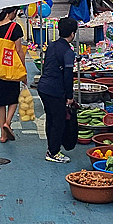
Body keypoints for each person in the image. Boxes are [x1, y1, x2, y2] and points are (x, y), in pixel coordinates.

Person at [37, 16, 78, 163]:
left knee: (51, 118)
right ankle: (53, 152)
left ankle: (51, 148)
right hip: (55, 90)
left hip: (43, 87)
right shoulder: (68, 52)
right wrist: (70, 96)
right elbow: (68, 76)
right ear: (72, 33)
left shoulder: (52, 46)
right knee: (59, 121)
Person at [0, 7, 27, 143]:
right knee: (13, 99)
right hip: (10, 69)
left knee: (0, 102)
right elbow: (19, 51)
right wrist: (23, 70)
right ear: (12, 12)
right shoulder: (15, 28)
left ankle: (3, 135)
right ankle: (8, 122)